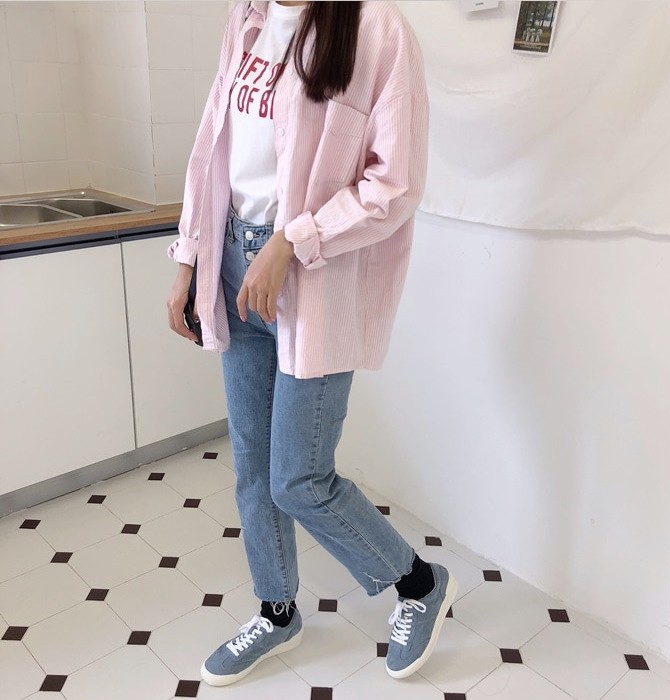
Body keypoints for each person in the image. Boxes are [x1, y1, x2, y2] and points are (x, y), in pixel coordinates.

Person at [166, 0, 456, 687]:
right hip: (231, 263)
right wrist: (188, 259)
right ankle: (277, 611)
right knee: (253, 466)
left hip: (311, 275)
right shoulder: (246, 18)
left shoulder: (377, 29)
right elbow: (213, 147)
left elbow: (395, 183)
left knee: (299, 478)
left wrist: (292, 243)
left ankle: (418, 584)